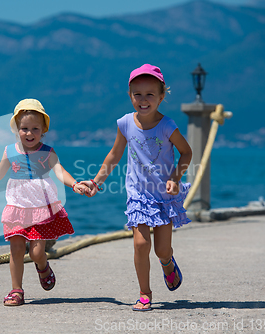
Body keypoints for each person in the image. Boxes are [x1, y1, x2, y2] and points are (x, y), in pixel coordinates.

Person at [82, 64, 192, 311]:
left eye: (150, 94)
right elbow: (114, 155)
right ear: (130, 95)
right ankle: (145, 293)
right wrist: (95, 182)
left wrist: (176, 176)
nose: (143, 100)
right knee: (141, 245)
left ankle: (167, 262)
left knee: (162, 249)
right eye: (137, 94)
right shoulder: (124, 124)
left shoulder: (167, 126)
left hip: (163, 196)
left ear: (162, 96)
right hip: (138, 196)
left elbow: (186, 152)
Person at [0, 98, 88, 306]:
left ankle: (43, 267)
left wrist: (75, 184)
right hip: (17, 206)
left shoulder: (47, 152)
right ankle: (16, 290)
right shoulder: (10, 151)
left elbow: (60, 171)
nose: (29, 133)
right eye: (24, 129)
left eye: (35, 129)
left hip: (40, 207)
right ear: (16, 129)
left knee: (37, 252)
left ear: (43, 131)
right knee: (16, 248)